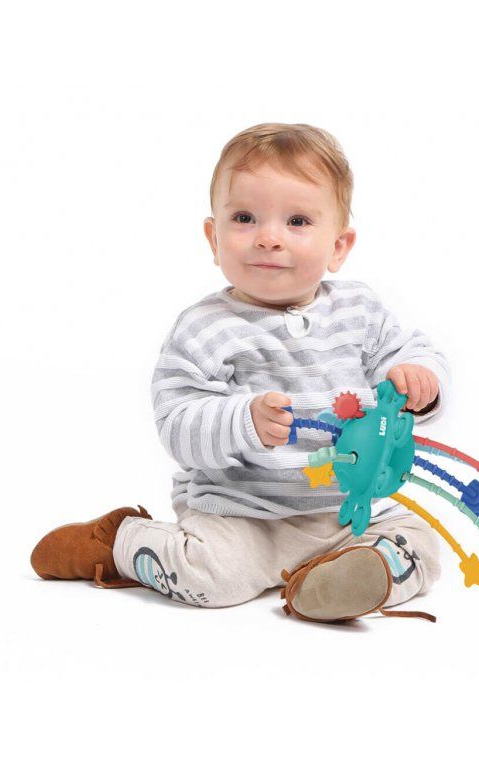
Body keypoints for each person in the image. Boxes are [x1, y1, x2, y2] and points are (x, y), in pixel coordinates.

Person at [30, 123, 450, 623]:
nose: (269, 238)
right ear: (214, 238)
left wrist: (419, 379)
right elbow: (177, 423)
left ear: (339, 246)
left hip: (350, 512)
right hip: (244, 517)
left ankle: (340, 579)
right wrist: (242, 421)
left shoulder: (360, 310)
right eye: (245, 218)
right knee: (210, 577)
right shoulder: (204, 328)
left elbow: (410, 353)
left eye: (297, 221)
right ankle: (120, 543)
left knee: (422, 544)